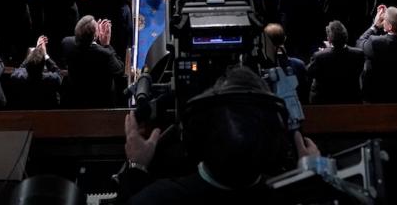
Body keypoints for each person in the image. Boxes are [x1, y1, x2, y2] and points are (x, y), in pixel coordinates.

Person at [118, 65, 319, 202]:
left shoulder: (157, 199)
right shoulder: (293, 197)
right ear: (274, 143)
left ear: (194, 139)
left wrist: (137, 166)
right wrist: (312, 176)